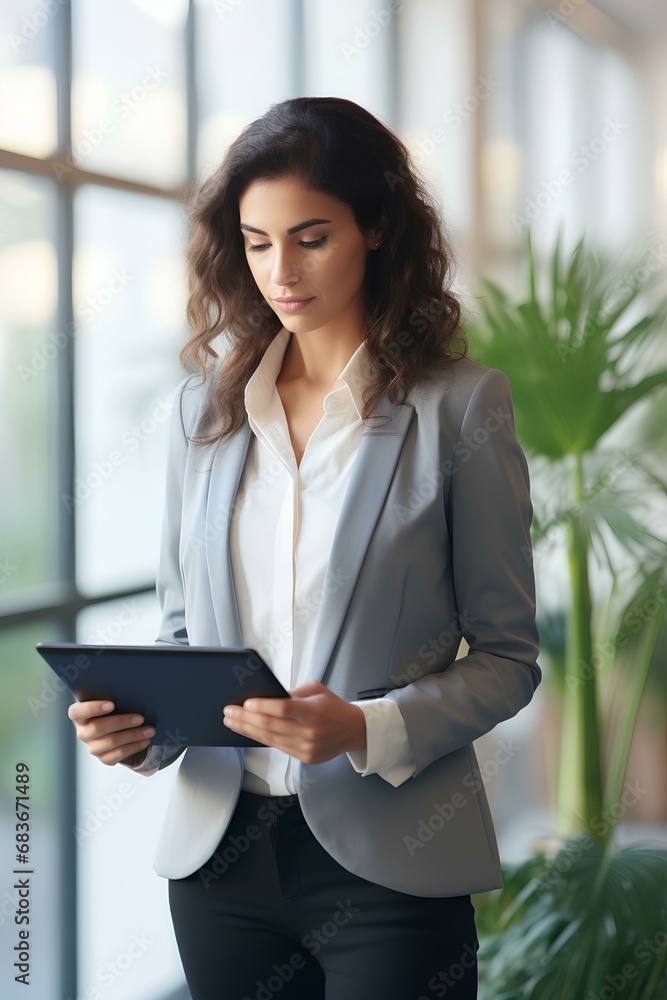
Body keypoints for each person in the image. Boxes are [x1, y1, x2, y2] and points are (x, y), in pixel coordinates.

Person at [68, 95, 541, 1000]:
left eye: (310, 237)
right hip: (219, 864)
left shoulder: (460, 408)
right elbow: (182, 631)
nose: (279, 271)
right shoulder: (200, 411)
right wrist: (139, 727)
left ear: (375, 226)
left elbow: (509, 659)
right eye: (255, 242)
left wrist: (365, 726)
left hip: (391, 866)